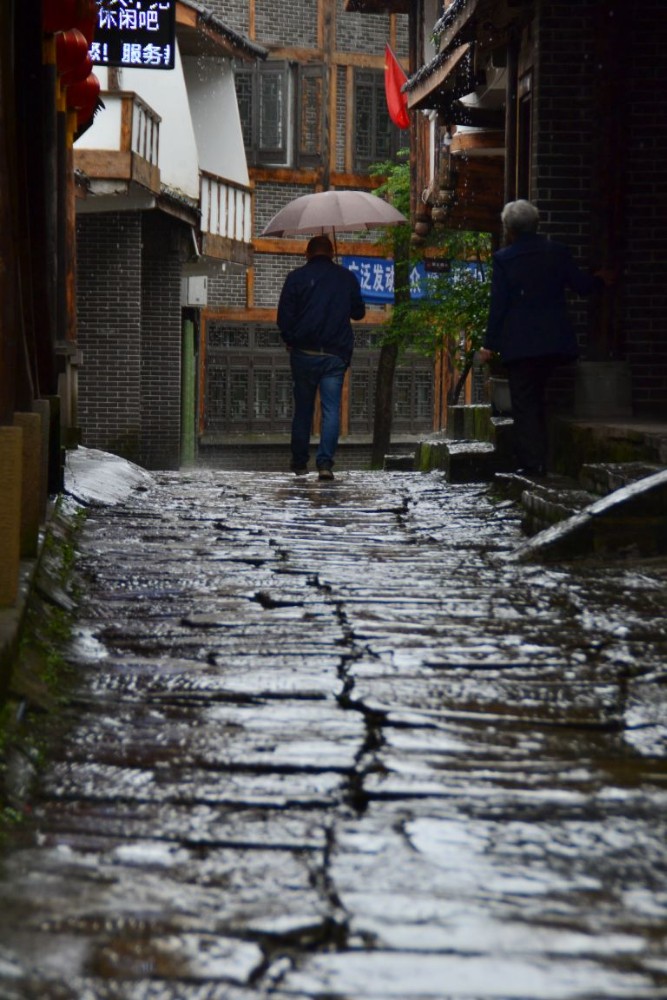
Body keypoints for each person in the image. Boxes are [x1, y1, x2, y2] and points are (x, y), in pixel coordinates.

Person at [479, 199, 611, 476]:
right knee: (546, 397)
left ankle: (532, 463)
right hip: (554, 342)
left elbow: (499, 305)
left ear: (509, 229)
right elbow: (580, 285)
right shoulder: (558, 252)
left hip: (521, 344)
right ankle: (548, 458)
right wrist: (600, 279)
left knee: (525, 404)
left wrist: (489, 344)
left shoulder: (504, 259)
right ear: (536, 223)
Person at [277, 234, 365, 480]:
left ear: (307, 254)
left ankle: (299, 463)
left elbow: (283, 317)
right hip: (335, 356)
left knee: (303, 410)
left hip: (303, 354)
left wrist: (290, 339)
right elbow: (359, 313)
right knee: (331, 410)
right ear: (332, 253)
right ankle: (325, 464)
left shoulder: (295, 278)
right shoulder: (346, 277)